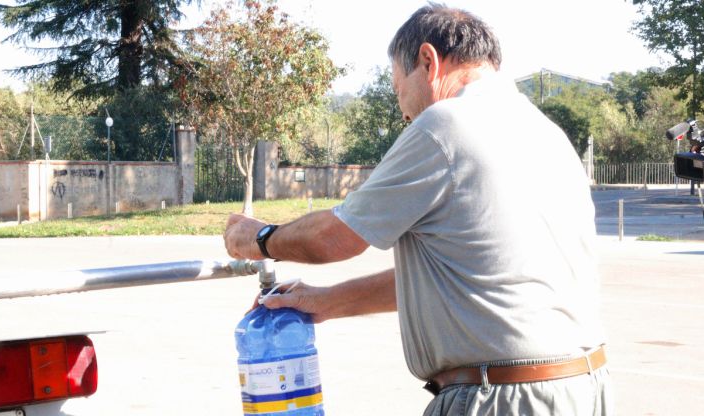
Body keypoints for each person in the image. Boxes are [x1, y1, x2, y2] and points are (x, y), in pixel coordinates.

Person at [224, 3, 612, 415]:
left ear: (428, 62)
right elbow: (465, 274)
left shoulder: (447, 124)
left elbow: (334, 238)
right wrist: (327, 301)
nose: (404, 112)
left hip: (502, 397)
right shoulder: (545, 133)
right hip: (580, 388)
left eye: (397, 89)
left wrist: (259, 239)